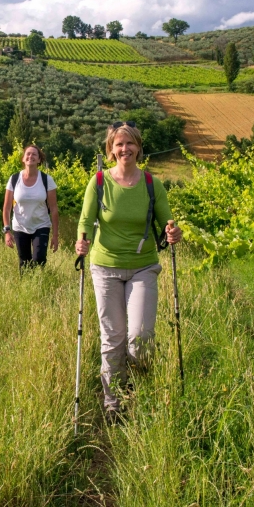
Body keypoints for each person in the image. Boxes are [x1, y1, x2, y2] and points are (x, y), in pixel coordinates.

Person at [75, 121, 182, 415]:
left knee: (141, 337)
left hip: (142, 267)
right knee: (113, 338)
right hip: (105, 266)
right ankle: (113, 402)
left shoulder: (152, 184)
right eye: (119, 144)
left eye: (130, 143)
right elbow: (85, 221)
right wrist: (81, 242)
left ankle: (136, 386)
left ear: (139, 148)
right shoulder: (98, 183)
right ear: (110, 150)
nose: (125, 149)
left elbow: (166, 223)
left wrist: (173, 232)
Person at [2, 145, 59, 269]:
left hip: (41, 225)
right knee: (24, 263)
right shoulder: (14, 179)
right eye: (28, 154)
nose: (30, 156)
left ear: (39, 160)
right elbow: (6, 208)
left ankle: (40, 285)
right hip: (20, 226)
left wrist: (55, 235)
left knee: (39, 259)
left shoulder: (47, 180)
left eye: (34, 154)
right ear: (23, 158)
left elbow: (54, 209)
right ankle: (26, 287)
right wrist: (7, 231)